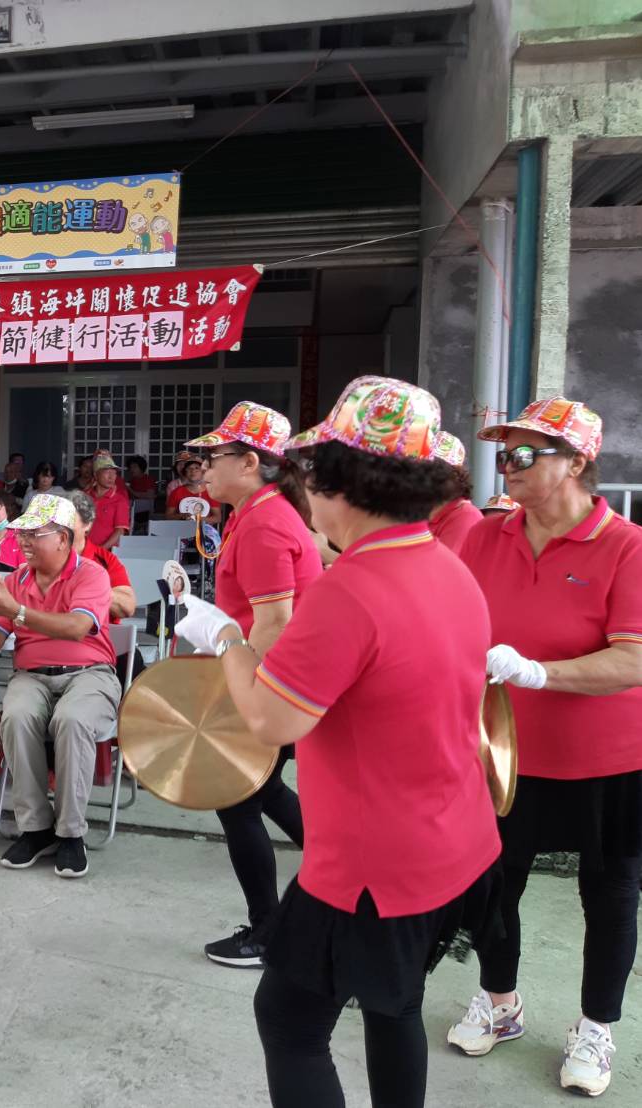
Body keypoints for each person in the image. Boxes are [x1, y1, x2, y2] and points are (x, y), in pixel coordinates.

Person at [175, 377, 500, 1108]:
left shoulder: (348, 590)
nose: (304, 490)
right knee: (393, 1005)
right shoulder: (448, 564)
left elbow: (270, 720)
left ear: (342, 481)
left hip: (368, 868)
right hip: (452, 840)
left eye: (310, 472)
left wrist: (222, 635)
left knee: (287, 1022)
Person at [448, 397, 642, 1098]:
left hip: (610, 761)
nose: (509, 466)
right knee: (494, 883)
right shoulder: (485, 537)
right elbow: (448, 617)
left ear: (577, 463)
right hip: (504, 753)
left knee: (611, 894)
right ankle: (499, 1004)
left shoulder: (627, 547)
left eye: (526, 454)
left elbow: (633, 658)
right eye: (504, 454)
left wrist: (540, 673)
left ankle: (595, 1028)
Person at [183, 401, 319, 969]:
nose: (203, 468)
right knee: (257, 794)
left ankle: (268, 930)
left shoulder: (265, 522)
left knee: (239, 798)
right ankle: (346, 867)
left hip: (270, 682)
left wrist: (242, 688)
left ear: (251, 462)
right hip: (272, 678)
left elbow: (275, 623)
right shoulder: (253, 512)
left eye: (214, 457)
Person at [0, 494, 121, 880]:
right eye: (21, 533)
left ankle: (71, 833)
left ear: (64, 539)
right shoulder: (15, 579)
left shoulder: (92, 573)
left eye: (35, 533)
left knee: (72, 719)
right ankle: (36, 829)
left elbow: (77, 628)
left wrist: (15, 611)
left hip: (90, 673)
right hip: (31, 675)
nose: (23, 541)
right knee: (17, 717)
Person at [67, 490, 136, 623]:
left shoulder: (105, 560)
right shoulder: (45, 556)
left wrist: (90, 587)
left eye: (69, 521)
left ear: (87, 525)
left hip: (94, 637)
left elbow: (127, 607)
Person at [429, 432, 483, 551]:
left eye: (436, 470)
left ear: (455, 476)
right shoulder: (420, 510)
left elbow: (441, 567)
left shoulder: (465, 515)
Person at [86, 452, 131, 550]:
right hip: (83, 551)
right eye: (107, 472)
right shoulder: (84, 497)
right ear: (95, 475)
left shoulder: (119, 500)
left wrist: (100, 550)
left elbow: (120, 531)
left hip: (107, 553)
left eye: (114, 472)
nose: (111, 477)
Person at [167, 458, 222, 523]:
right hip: (181, 529)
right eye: (189, 468)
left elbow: (218, 518)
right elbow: (168, 516)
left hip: (204, 531)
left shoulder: (211, 492)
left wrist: (199, 519)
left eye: (197, 468)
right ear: (185, 473)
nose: (193, 471)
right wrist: (181, 516)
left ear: (203, 472)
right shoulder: (177, 492)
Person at [126, 455, 157, 533]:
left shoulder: (148, 479)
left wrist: (129, 489)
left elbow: (149, 495)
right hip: (133, 511)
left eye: (135, 467)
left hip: (144, 512)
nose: (132, 469)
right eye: (131, 467)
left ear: (141, 467)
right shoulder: (132, 480)